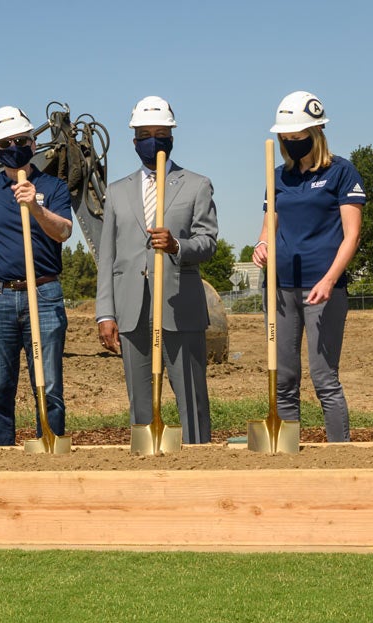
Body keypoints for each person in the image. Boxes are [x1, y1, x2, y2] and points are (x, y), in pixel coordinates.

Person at [95, 96, 219, 444]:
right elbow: (108, 257)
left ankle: (197, 459)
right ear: (134, 140)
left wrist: (178, 245)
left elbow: (208, 242)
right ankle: (145, 468)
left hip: (181, 309)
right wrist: (105, 312)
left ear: (172, 137)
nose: (153, 140)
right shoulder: (117, 192)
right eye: (145, 133)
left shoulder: (196, 185)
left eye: (160, 132)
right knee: (141, 405)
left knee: (191, 399)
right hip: (132, 310)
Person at [252, 91, 364, 442]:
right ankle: (287, 453)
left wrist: (330, 279)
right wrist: (262, 244)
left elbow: (352, 235)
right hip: (281, 289)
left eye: (297, 138)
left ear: (316, 133)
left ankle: (339, 456)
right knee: (284, 378)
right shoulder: (278, 177)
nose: (290, 143)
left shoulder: (342, 172)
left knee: (323, 378)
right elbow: (270, 224)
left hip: (323, 289)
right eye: (285, 138)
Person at [0, 106, 73, 446]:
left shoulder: (53, 186)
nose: (14, 147)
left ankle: (50, 451)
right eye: (6, 142)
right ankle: (1, 458)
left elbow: (64, 231)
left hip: (44, 293)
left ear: (33, 143)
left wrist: (35, 207)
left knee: (49, 386)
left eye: (21, 140)